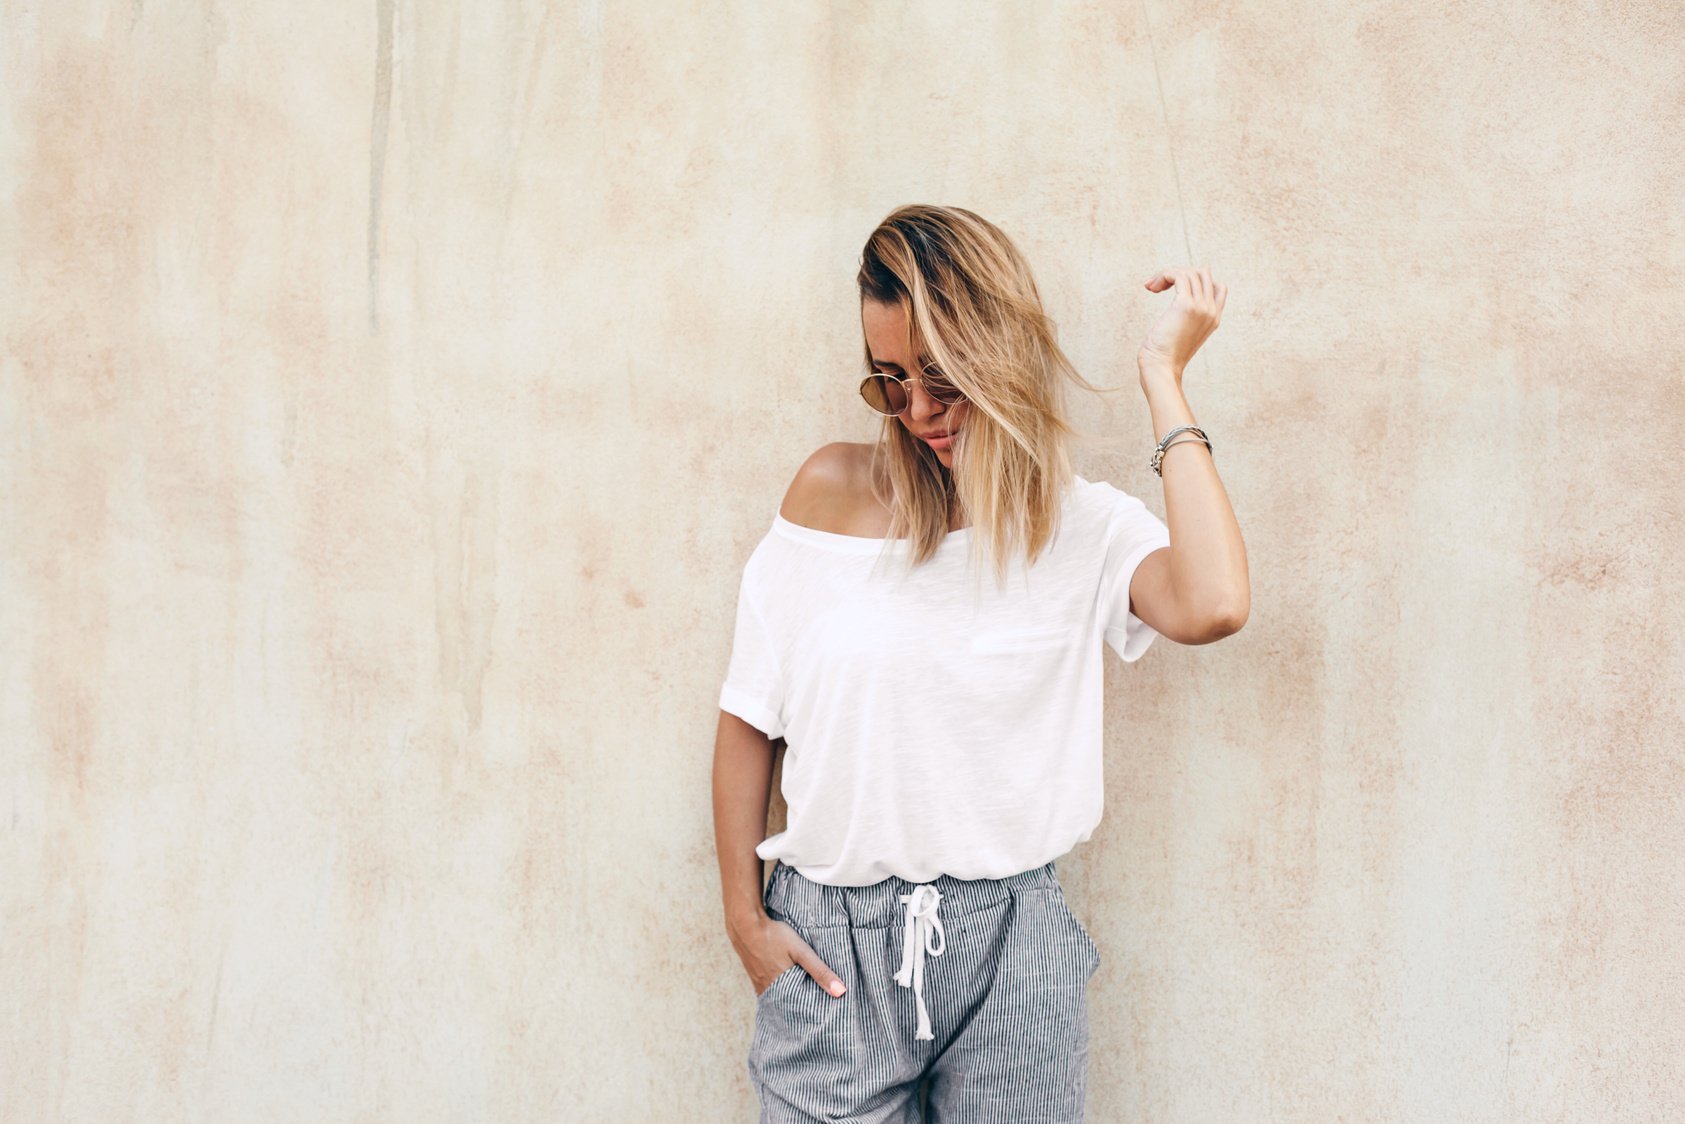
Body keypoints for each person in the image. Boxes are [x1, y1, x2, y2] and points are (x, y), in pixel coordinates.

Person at [713, 204, 1248, 1122]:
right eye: (889, 383)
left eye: (942, 378)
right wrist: (745, 923)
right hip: (830, 948)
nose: (918, 412)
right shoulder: (826, 494)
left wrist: (1164, 377)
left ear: (999, 354)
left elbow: (1213, 603)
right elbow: (748, 717)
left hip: (1013, 946)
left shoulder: (1077, 526)